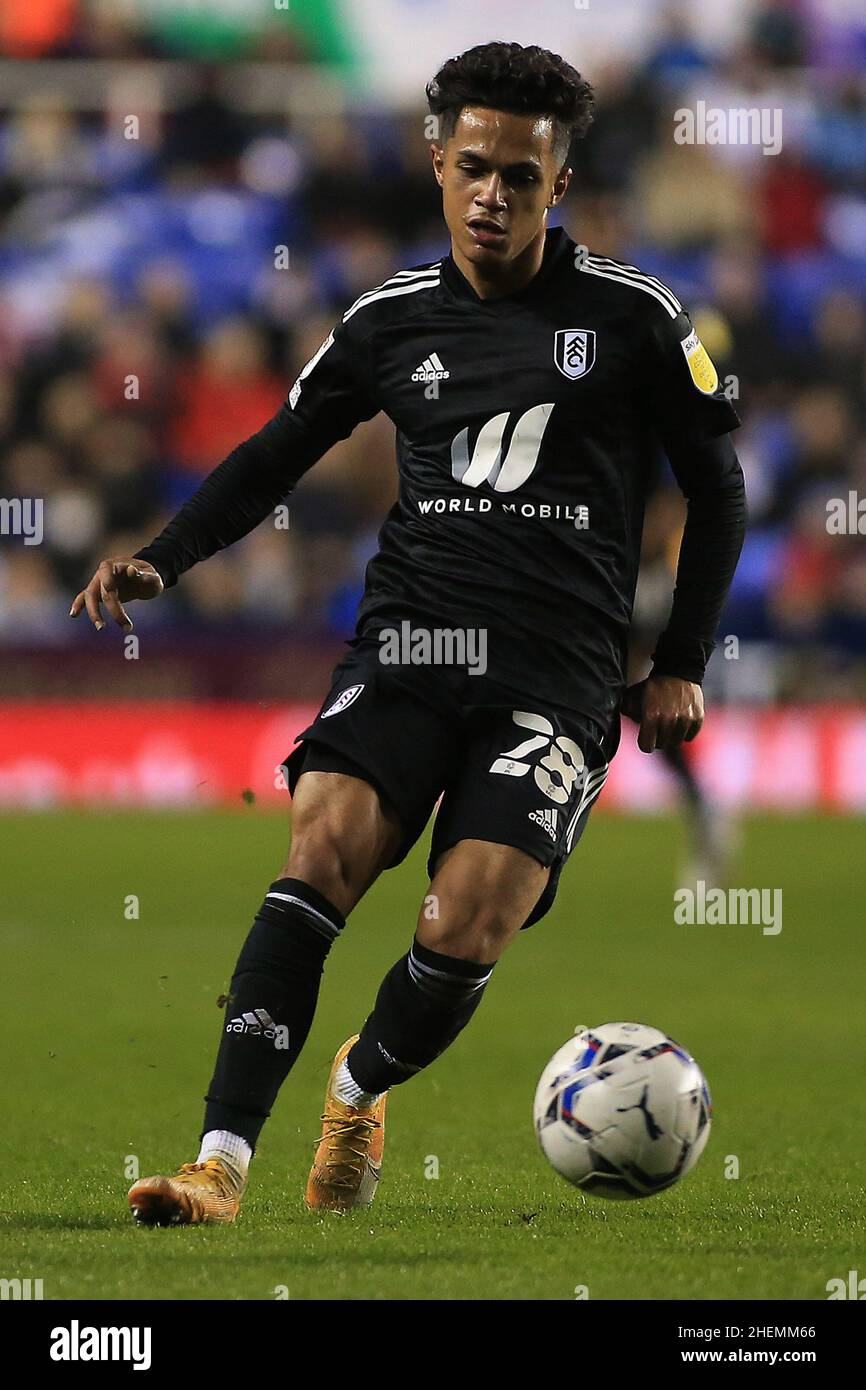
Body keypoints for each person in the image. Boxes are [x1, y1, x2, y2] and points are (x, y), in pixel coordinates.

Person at [70, 41, 746, 1225]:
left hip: (556, 675)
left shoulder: (634, 318)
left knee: (467, 914)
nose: (493, 194)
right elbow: (277, 453)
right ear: (437, 165)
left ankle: (359, 1080)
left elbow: (719, 487)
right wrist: (163, 554)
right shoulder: (387, 318)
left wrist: (679, 659)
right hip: (410, 643)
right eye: (473, 167)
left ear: (558, 185)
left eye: (520, 178)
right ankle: (219, 1161)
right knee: (317, 852)